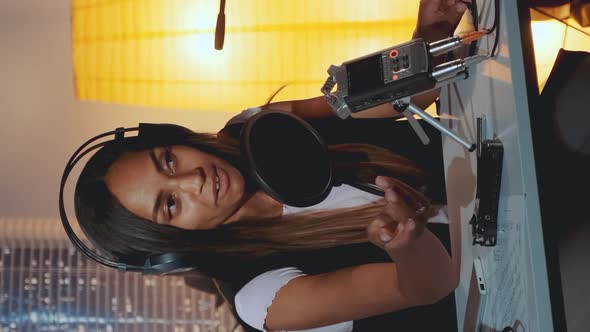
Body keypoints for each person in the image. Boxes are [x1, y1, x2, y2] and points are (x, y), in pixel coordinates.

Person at [71, 1, 469, 331]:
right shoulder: (258, 295)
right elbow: (426, 288)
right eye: (170, 204)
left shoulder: (253, 127)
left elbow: (407, 95)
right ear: (170, 248)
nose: (193, 180)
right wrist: (410, 247)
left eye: (169, 161)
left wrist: (430, 36)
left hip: (501, 163)